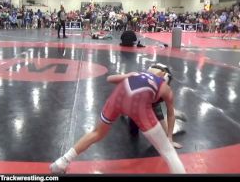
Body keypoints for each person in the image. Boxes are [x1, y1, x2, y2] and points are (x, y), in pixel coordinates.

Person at [50, 63, 186, 174]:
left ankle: (62, 162)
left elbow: (109, 79)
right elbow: (171, 114)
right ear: (166, 78)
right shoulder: (165, 89)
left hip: (118, 98)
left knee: (96, 133)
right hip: (140, 106)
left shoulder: (136, 74)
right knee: (168, 150)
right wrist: (169, 138)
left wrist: (126, 76)